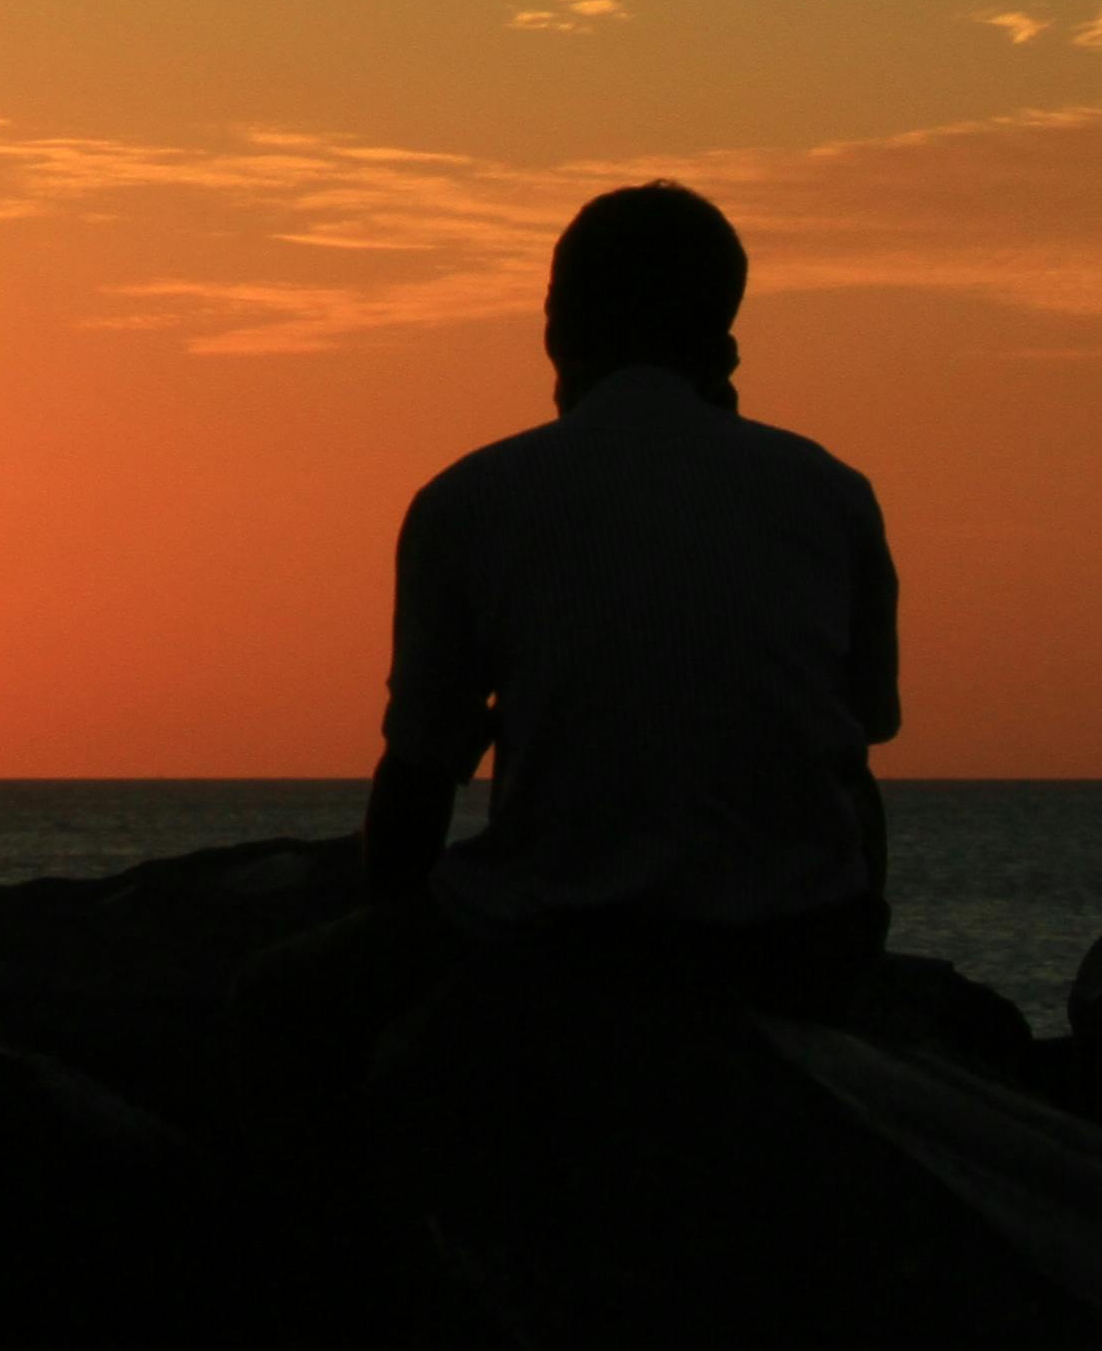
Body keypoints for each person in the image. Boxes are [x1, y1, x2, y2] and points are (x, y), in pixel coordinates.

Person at [356, 180, 900, 1019]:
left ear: (557, 327)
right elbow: (862, 727)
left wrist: (381, 933)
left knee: (276, 1003)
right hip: (800, 948)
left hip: (561, 946)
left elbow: (420, 776)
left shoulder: (469, 501)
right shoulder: (831, 492)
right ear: (725, 338)